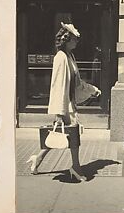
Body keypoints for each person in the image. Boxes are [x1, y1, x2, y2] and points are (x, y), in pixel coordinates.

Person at [26, 23, 101, 182]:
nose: (77, 42)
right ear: (66, 40)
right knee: (72, 137)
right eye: (74, 39)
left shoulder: (70, 56)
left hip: (69, 103)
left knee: (60, 134)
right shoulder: (61, 57)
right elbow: (58, 85)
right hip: (65, 105)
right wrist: (59, 112)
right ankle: (76, 167)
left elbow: (77, 82)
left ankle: (37, 159)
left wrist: (92, 89)